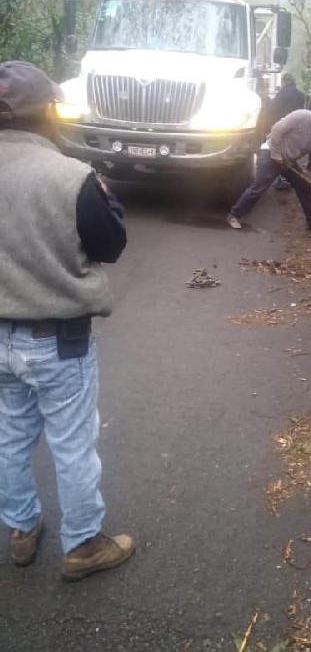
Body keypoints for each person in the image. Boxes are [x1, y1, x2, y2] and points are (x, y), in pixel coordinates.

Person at [0, 61, 134, 581]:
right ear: (49, 114)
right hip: (59, 340)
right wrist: (105, 195)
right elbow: (110, 245)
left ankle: (21, 529)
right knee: (72, 443)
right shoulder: (73, 177)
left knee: (10, 436)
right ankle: (82, 545)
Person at [227, 108, 311, 233]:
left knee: (304, 187)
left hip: (288, 161)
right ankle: (234, 215)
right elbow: (276, 129)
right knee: (258, 188)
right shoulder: (301, 116)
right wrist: (276, 154)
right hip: (270, 154)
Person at [267, 73, 306, 190]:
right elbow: (302, 110)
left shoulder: (281, 93)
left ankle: (281, 177)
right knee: (291, 152)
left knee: (280, 150)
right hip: (295, 127)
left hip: (281, 125)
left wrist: (270, 125)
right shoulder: (301, 95)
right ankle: (286, 178)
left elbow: (272, 109)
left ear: (284, 81)